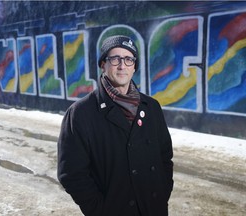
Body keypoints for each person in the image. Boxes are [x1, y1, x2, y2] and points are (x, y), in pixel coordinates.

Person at [57, 35, 174, 216]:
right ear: (102, 64)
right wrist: (101, 210)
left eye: (128, 59)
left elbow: (165, 157)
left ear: (134, 66)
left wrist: (163, 192)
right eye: (114, 59)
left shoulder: (151, 107)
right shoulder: (80, 113)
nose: (122, 66)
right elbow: (72, 174)